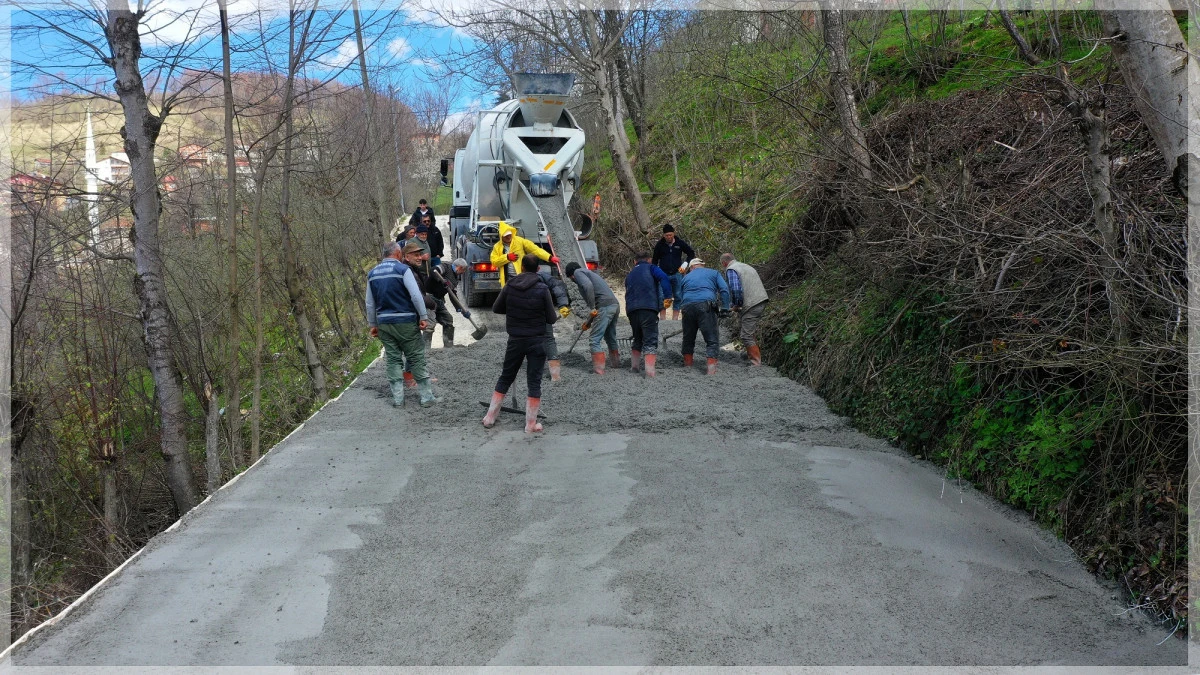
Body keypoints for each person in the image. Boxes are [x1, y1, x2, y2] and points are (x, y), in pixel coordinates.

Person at [482, 253, 559, 433]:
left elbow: (496, 308)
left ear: (522, 267)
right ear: (538, 269)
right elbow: (551, 318)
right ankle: (531, 424)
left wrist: (514, 310)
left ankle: (490, 417)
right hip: (537, 341)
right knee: (534, 381)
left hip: (515, 340)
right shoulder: (542, 289)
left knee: (506, 376)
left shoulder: (510, 285)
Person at [365, 241, 436, 407]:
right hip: (405, 322)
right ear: (398, 254)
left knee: (393, 359)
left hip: (384, 323)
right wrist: (423, 316)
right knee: (416, 357)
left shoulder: (372, 273)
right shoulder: (403, 270)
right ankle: (426, 398)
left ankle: (398, 400)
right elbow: (416, 296)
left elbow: (369, 303)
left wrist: (373, 324)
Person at [565, 261, 620, 375]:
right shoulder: (590, 273)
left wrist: (592, 307)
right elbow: (596, 311)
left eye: (571, 278)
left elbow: (588, 286)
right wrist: (589, 322)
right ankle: (616, 364)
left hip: (604, 306)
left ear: (572, 275)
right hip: (614, 305)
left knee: (594, 339)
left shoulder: (578, 272)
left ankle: (599, 370)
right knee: (610, 336)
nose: (573, 280)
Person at [677, 257, 730, 375]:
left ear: (691, 267)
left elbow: (680, 295)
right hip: (706, 306)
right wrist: (725, 308)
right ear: (702, 265)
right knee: (711, 339)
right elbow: (724, 289)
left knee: (688, 338)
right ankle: (711, 370)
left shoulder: (685, 277)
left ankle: (688, 366)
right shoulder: (714, 273)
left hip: (687, 306)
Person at [624, 251, 672, 377]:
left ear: (635, 262)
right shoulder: (652, 268)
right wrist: (668, 296)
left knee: (637, 338)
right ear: (649, 260)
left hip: (631, 310)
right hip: (648, 308)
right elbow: (664, 277)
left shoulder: (630, 274)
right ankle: (650, 372)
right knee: (650, 339)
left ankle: (634, 367)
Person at [720, 253, 769, 366]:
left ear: (724, 263)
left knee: (746, 335)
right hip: (761, 299)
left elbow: (736, 289)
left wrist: (736, 304)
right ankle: (751, 355)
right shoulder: (745, 266)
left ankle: (756, 363)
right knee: (749, 332)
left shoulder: (731, 269)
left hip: (752, 303)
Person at [490, 221, 558, 287]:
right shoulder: (497, 247)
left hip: (522, 277)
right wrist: (507, 258)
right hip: (508, 280)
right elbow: (494, 262)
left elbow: (535, 249)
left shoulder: (520, 241)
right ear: (501, 236)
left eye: (509, 235)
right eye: (506, 236)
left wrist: (549, 257)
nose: (508, 237)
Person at [651, 223, 696, 321]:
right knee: (662, 296)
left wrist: (685, 264)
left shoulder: (680, 243)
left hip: (677, 273)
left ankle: (675, 318)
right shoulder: (660, 245)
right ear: (664, 235)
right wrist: (656, 271)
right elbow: (654, 260)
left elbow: (691, 253)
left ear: (674, 234)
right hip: (663, 274)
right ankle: (663, 318)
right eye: (667, 235)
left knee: (678, 295)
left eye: (670, 235)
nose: (669, 237)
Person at [537, 265, 572, 381]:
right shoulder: (543, 277)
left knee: (524, 339)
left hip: (525, 314)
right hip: (542, 311)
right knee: (549, 339)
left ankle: (532, 370)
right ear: (538, 268)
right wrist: (562, 305)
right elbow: (558, 286)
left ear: (521, 268)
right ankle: (555, 376)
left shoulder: (517, 280)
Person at [425, 258, 466, 348]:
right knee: (430, 324)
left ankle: (448, 347)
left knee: (448, 319)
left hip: (439, 300)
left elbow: (453, 295)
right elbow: (433, 270)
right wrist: (441, 280)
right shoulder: (446, 267)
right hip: (429, 298)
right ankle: (426, 350)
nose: (463, 272)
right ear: (459, 267)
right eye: (463, 270)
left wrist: (460, 309)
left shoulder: (455, 279)